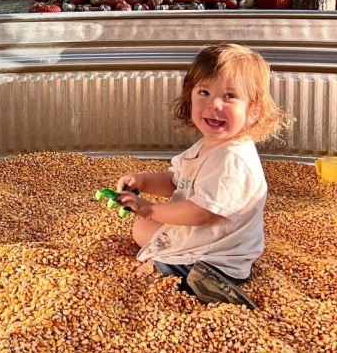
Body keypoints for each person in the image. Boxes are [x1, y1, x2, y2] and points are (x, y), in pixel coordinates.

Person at [114, 43, 293, 307]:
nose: (214, 104)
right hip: (203, 237)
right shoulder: (206, 145)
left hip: (218, 254)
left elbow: (201, 212)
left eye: (230, 96)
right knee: (140, 228)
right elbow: (176, 181)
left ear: (253, 110)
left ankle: (196, 278)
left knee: (151, 268)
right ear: (190, 97)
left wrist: (151, 210)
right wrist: (142, 181)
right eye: (204, 92)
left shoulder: (232, 158)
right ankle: (177, 261)